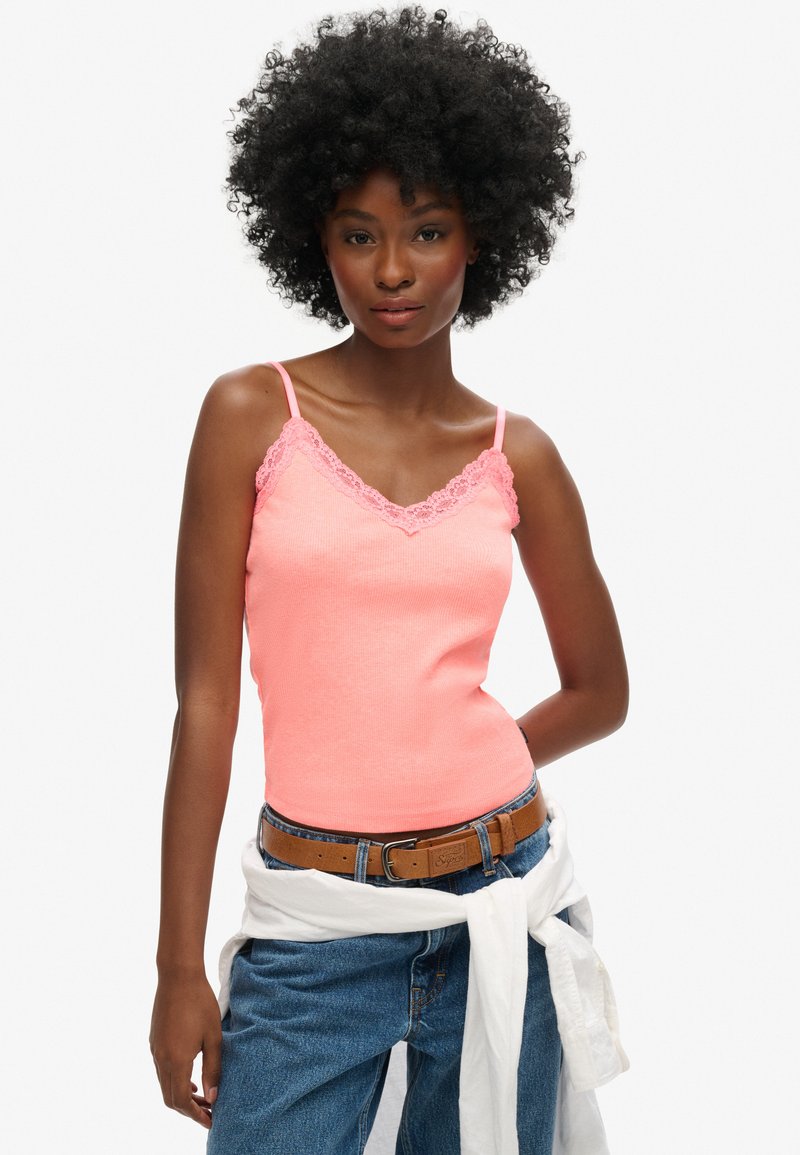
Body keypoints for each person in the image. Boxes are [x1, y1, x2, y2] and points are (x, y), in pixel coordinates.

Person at [149, 6, 629, 1153]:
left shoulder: (518, 456)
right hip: (313, 925)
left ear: (481, 234)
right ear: (311, 237)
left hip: (502, 903)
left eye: (427, 230)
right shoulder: (250, 416)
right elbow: (205, 705)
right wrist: (176, 969)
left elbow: (600, 692)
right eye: (358, 234)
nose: (393, 270)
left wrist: (455, 757)